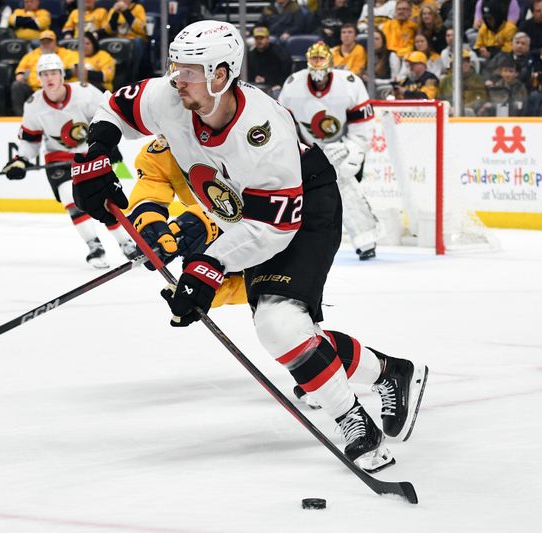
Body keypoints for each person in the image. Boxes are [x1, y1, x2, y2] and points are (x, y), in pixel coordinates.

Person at [70, 20, 428, 471]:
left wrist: (206, 265)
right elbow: (115, 107)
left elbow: (271, 230)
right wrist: (96, 152)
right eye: (175, 66)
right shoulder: (170, 95)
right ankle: (388, 372)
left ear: (222, 74)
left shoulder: (263, 133)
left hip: (304, 208)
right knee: (288, 331)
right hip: (247, 217)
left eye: (190, 70)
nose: (176, 78)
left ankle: (355, 422)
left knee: (278, 323)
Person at [2, 53, 138, 268]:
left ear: (62, 75)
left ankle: (127, 244)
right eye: (45, 74)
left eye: (54, 73)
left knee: (105, 201)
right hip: (58, 157)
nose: (50, 78)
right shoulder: (34, 104)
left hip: (90, 155)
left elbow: (107, 119)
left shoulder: (85, 93)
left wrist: (109, 146)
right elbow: (31, 139)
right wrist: (21, 160)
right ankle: (95, 246)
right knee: (70, 199)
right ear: (39, 78)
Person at [279, 40, 378, 260]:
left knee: (346, 186)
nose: (317, 64)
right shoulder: (293, 84)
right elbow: (283, 123)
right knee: (295, 195)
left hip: (340, 147)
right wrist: (296, 149)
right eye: (313, 59)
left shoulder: (350, 83)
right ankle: (290, 242)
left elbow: (363, 126)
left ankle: (366, 239)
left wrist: (352, 149)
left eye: (320, 58)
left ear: (331, 61)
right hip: (306, 148)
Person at [10, 29, 77, 115]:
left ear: (55, 42)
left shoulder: (67, 54)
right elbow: (20, 71)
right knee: (17, 85)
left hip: (58, 89)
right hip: (34, 89)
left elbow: (75, 70)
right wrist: (21, 76)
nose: (46, 45)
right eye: (43, 42)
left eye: (49, 42)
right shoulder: (31, 55)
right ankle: (21, 117)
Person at [102, 0, 147, 79]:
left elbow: (142, 29)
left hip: (133, 39)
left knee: (138, 42)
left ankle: (134, 74)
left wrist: (126, 11)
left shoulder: (138, 8)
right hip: (118, 39)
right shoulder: (113, 9)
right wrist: (115, 13)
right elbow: (108, 30)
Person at [247, 25, 292, 97]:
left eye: (261, 38)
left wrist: (280, 84)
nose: (259, 41)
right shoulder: (251, 54)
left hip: (275, 85)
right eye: (256, 38)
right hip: (256, 86)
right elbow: (248, 73)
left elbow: (286, 70)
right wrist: (254, 78)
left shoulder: (279, 53)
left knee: (276, 95)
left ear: (268, 39)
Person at [438, 48, 487, 114]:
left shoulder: (478, 79)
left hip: (472, 115)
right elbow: (439, 100)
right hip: (449, 115)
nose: (466, 64)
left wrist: (462, 109)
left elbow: (482, 99)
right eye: (462, 62)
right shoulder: (445, 81)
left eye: (467, 61)